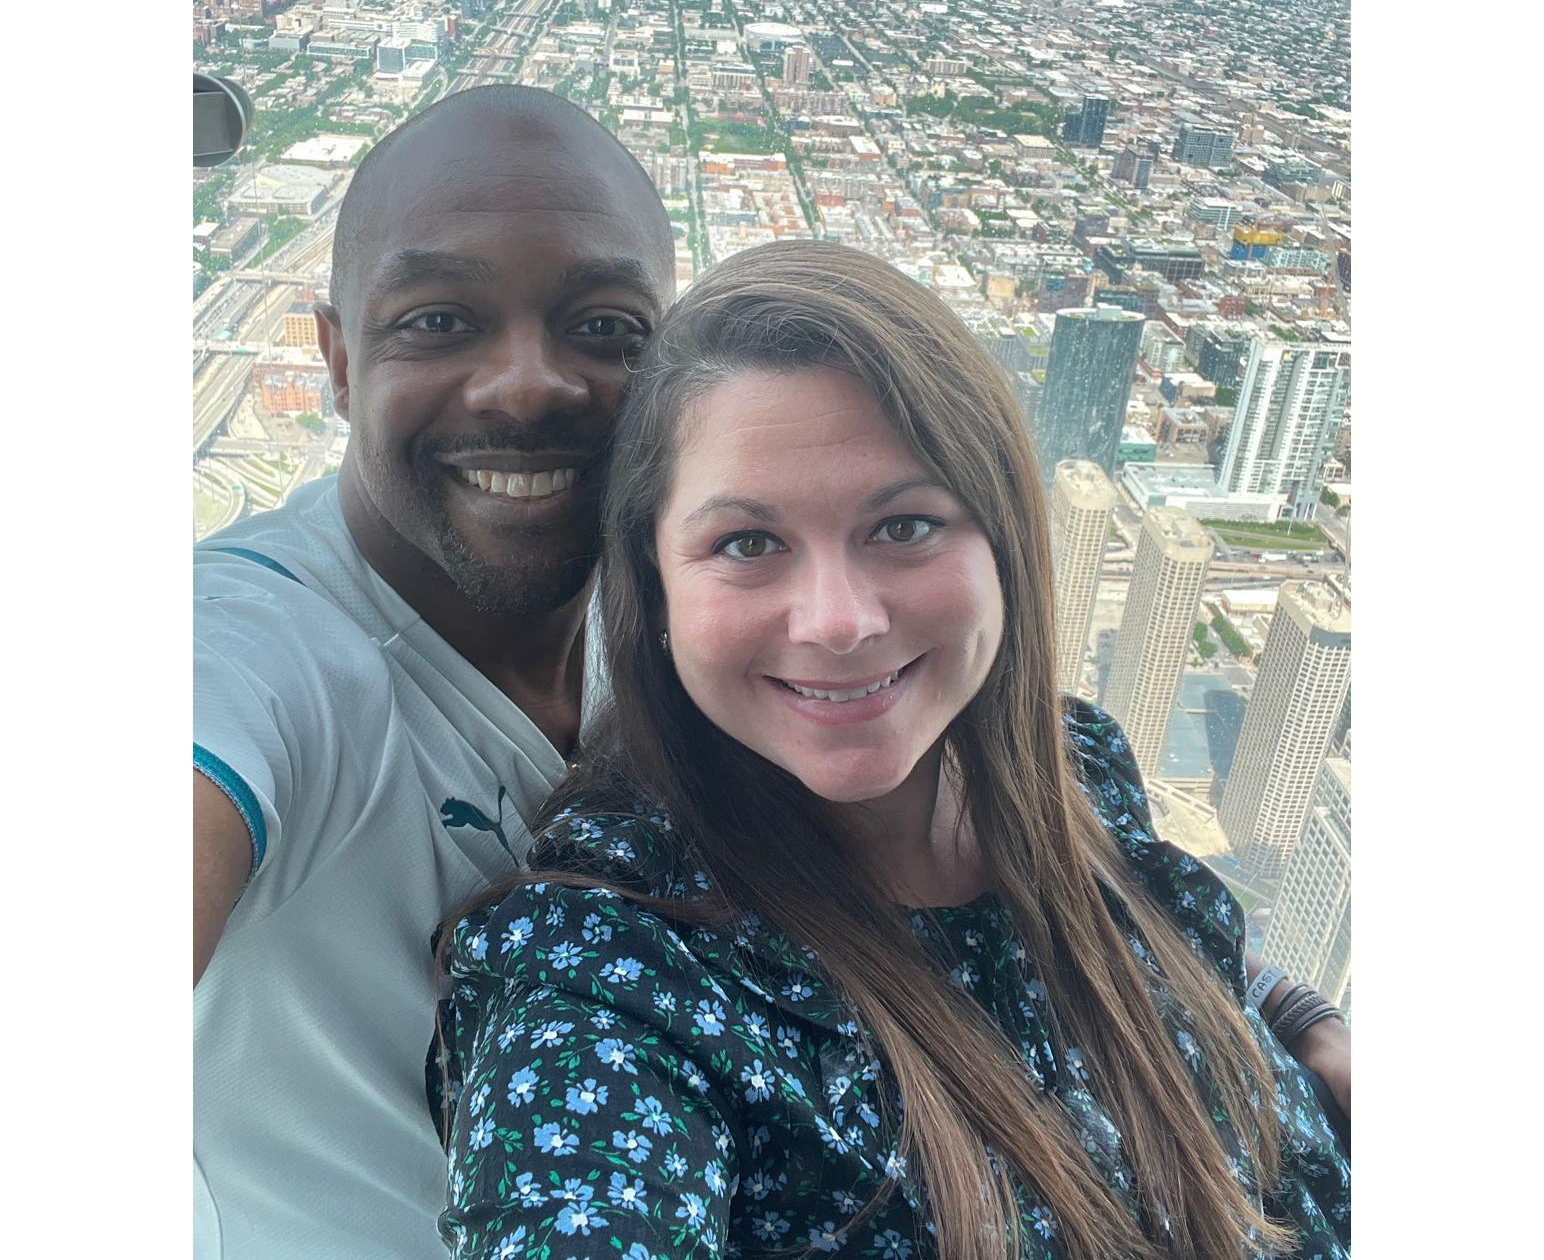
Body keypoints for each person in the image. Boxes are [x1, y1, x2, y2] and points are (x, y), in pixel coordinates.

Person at [434, 241, 1350, 1260]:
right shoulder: (613, 969)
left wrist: (1303, 1031)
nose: (837, 619)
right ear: (652, 586)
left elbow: (1169, 933)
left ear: (1000, 545)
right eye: (745, 542)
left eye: (903, 524)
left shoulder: (1073, 761)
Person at [193, 85, 676, 1259]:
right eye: (437, 319)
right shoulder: (260, 643)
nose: (526, 385)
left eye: (605, 326)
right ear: (338, 358)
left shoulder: (684, 626)